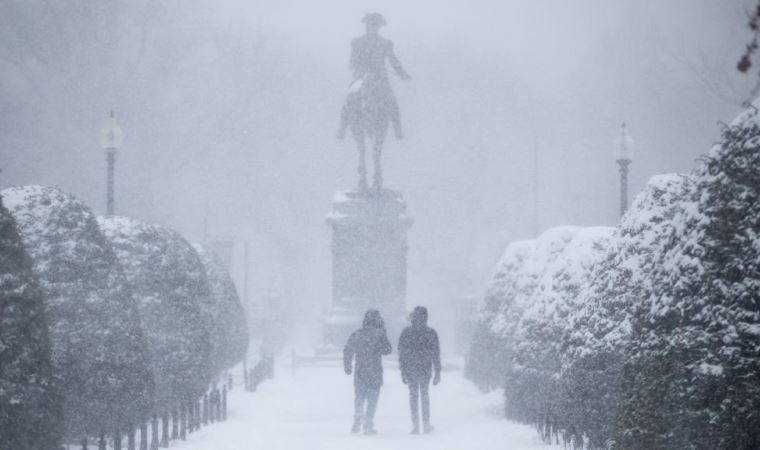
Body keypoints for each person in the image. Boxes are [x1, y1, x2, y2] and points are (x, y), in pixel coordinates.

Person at [337, 12, 411, 140]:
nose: (372, 27)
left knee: (392, 100)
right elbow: (352, 62)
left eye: (375, 25)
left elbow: (393, 61)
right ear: (366, 26)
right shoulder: (357, 42)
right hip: (361, 77)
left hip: (380, 78)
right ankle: (342, 129)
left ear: (379, 27)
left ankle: (398, 130)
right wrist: (360, 69)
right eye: (370, 24)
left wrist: (403, 74)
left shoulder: (386, 43)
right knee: (350, 97)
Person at [343, 309, 392, 435]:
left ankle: (358, 417)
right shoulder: (380, 335)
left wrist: (347, 365)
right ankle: (368, 424)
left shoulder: (357, 334)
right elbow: (388, 350)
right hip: (375, 372)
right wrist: (383, 332)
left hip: (360, 371)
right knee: (372, 400)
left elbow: (348, 350)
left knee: (359, 397)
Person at [398, 306, 441, 434]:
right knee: (424, 395)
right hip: (425, 369)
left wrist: (403, 370)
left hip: (411, 369)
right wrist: (437, 371)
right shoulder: (431, 333)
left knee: (413, 396)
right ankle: (426, 424)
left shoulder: (406, 332)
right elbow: (436, 353)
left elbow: (402, 353)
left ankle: (415, 425)